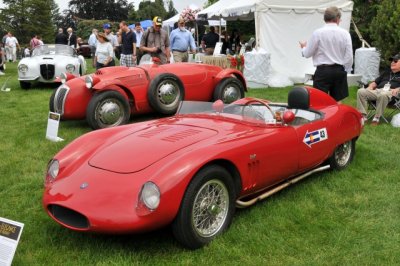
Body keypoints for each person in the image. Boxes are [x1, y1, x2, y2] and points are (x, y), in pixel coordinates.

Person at [299, 6, 353, 102]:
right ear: (337, 19)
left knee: (320, 101)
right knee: (337, 102)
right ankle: (337, 117)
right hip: (338, 70)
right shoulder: (345, 34)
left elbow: (307, 54)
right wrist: (346, 70)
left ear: (325, 18)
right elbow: (349, 56)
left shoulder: (317, 33)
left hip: (323, 72)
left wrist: (303, 47)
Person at [356, 54, 400, 125]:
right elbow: (375, 83)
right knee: (361, 91)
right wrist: (370, 87)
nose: (392, 62)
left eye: (395, 61)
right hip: (377, 91)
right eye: (392, 61)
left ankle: (376, 117)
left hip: (392, 94)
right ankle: (363, 116)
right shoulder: (386, 72)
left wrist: (398, 89)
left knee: (383, 94)